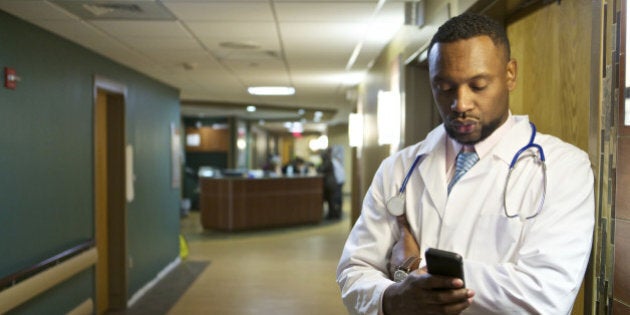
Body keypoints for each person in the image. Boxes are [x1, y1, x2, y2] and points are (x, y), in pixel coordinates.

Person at [336, 13, 594, 314]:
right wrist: (393, 298)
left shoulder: (562, 168)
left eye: (478, 85)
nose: (460, 104)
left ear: (510, 74)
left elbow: (546, 296)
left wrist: (418, 271)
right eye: (444, 88)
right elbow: (353, 270)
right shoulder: (398, 168)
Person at [319, 148, 342, 219]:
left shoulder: (328, 162)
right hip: (330, 184)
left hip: (330, 184)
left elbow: (321, 169)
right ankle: (331, 214)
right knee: (330, 200)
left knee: (332, 200)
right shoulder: (329, 162)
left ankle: (333, 214)